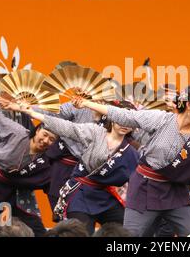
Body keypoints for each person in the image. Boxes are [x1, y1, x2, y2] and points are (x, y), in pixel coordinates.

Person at [73, 85, 190, 237]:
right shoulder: (161, 119)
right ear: (188, 105)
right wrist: (88, 104)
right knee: (129, 238)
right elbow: (126, 116)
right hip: (145, 190)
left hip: (176, 193)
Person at [12, 100, 139, 235]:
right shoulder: (96, 132)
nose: (125, 124)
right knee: (80, 233)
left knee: (126, 231)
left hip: (107, 196)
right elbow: (67, 127)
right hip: (82, 194)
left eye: (130, 121)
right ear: (112, 117)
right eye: (121, 118)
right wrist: (32, 112)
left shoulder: (132, 149)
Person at [0, 90, 57, 236]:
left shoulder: (47, 158)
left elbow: (52, 185)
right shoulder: (18, 133)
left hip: (15, 190)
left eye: (52, 139)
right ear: (38, 130)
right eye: (45, 134)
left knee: (36, 229)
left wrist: (60, 209)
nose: (46, 141)